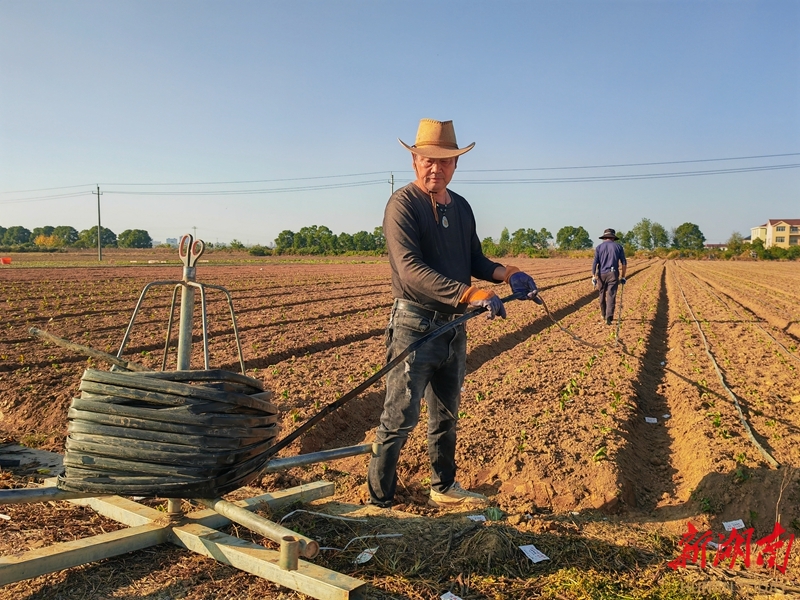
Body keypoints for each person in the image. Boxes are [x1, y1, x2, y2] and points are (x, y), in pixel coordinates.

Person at [367, 118, 541, 509]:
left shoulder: (461, 207)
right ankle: (380, 501)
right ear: (414, 160)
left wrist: (509, 274)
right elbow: (410, 269)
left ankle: (443, 486)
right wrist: (470, 293)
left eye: (444, 161)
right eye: (428, 160)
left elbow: (475, 259)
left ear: (456, 165)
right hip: (414, 325)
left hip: (454, 326)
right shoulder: (402, 205)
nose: (436, 168)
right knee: (399, 417)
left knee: (446, 414)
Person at [591, 228, 627, 325]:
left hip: (602, 274)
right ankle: (609, 317)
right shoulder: (619, 247)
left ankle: (603, 314)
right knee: (611, 294)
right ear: (613, 238)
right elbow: (624, 262)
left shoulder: (599, 247)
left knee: (601, 294)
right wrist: (623, 276)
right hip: (613, 273)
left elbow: (595, 262)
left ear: (604, 237)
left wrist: (593, 276)